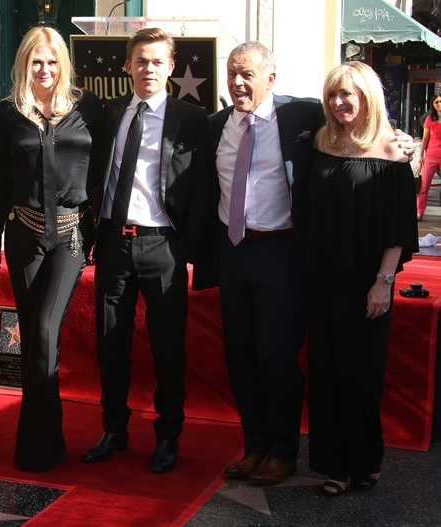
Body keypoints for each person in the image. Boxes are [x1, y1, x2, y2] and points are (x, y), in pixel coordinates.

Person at [192, 42, 415, 487]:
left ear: (271, 79)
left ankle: (282, 450)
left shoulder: (303, 117)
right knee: (240, 357)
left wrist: (400, 144)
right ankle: (255, 446)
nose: (238, 82)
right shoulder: (215, 124)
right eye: (232, 73)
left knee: (277, 357)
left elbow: (362, 133)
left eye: (248, 74)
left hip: (282, 254)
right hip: (233, 253)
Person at [81, 28, 209, 473]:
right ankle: (114, 430)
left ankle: (168, 436)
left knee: (168, 348)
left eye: (157, 61)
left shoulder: (192, 119)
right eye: (141, 61)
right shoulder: (110, 112)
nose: (149, 69)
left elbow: (202, 187)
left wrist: (185, 246)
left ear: (171, 67)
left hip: (163, 248)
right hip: (114, 243)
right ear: (127, 66)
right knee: (111, 344)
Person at [0, 26, 101, 473]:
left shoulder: (88, 107)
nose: (45, 69)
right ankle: (47, 440)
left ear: (63, 64)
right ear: (24, 66)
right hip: (23, 235)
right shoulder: (10, 110)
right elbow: (6, 178)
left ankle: (35, 446)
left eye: (52, 61)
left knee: (46, 331)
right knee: (32, 335)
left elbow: (104, 169)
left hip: (71, 236)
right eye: (37, 62)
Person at [306, 61, 418, 496]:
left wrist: (383, 281)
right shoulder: (320, 139)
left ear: (368, 96)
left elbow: (398, 225)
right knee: (327, 372)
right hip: (322, 276)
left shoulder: (392, 148)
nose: (339, 103)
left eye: (348, 94)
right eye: (333, 95)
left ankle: (365, 460)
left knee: (360, 373)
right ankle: (333, 466)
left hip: (367, 280)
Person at [417, 93, 441, 221]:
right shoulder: (429, 119)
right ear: (432, 104)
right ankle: (419, 212)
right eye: (436, 102)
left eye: (440, 101)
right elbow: (425, 138)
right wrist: (421, 155)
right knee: (424, 185)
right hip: (431, 156)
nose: (439, 104)